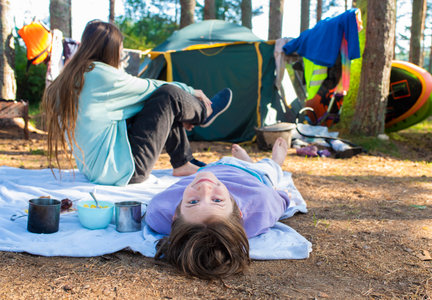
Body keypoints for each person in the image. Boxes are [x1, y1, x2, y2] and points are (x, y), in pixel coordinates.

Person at [41, 20, 231, 186]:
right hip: (124, 171)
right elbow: (150, 86)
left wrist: (176, 114)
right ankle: (204, 112)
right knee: (167, 94)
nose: (121, 52)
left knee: (154, 101)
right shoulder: (99, 75)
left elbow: (140, 101)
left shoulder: (72, 77)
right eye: (120, 47)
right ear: (110, 49)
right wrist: (191, 92)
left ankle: (183, 163)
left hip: (98, 169)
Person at [146, 137, 291, 279]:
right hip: (252, 174)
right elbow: (281, 200)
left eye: (193, 202)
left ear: (175, 216)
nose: (205, 188)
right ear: (238, 212)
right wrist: (284, 195)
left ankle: (245, 160)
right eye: (217, 200)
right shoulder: (261, 204)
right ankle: (272, 161)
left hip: (212, 167)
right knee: (270, 169)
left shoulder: (159, 211)